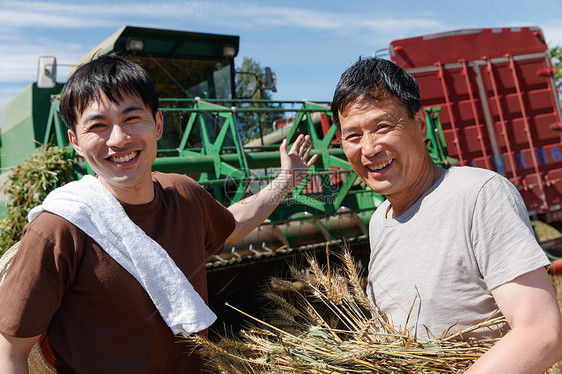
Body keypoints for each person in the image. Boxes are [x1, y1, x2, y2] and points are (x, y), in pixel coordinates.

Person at [0, 55, 317, 373]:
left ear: (159, 124)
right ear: (76, 143)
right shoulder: (59, 228)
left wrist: (285, 181)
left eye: (132, 118)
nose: (118, 139)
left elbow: (232, 224)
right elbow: (11, 352)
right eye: (97, 125)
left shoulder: (184, 193)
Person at [331, 57, 562, 373]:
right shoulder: (379, 221)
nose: (368, 149)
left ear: (421, 123)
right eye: (353, 135)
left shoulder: (478, 194)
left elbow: (541, 333)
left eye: (382, 126)